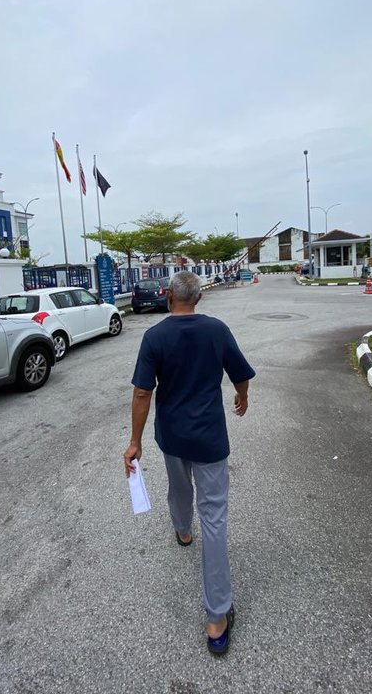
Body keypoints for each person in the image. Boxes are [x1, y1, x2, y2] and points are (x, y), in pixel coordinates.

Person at [124, 271, 255, 655]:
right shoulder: (217, 330)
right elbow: (241, 375)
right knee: (213, 517)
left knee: (179, 489)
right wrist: (243, 398)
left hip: (172, 436)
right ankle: (216, 618)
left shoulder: (154, 337)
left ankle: (182, 529)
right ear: (198, 298)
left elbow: (142, 392)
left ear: (168, 298)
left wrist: (134, 442)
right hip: (210, 438)